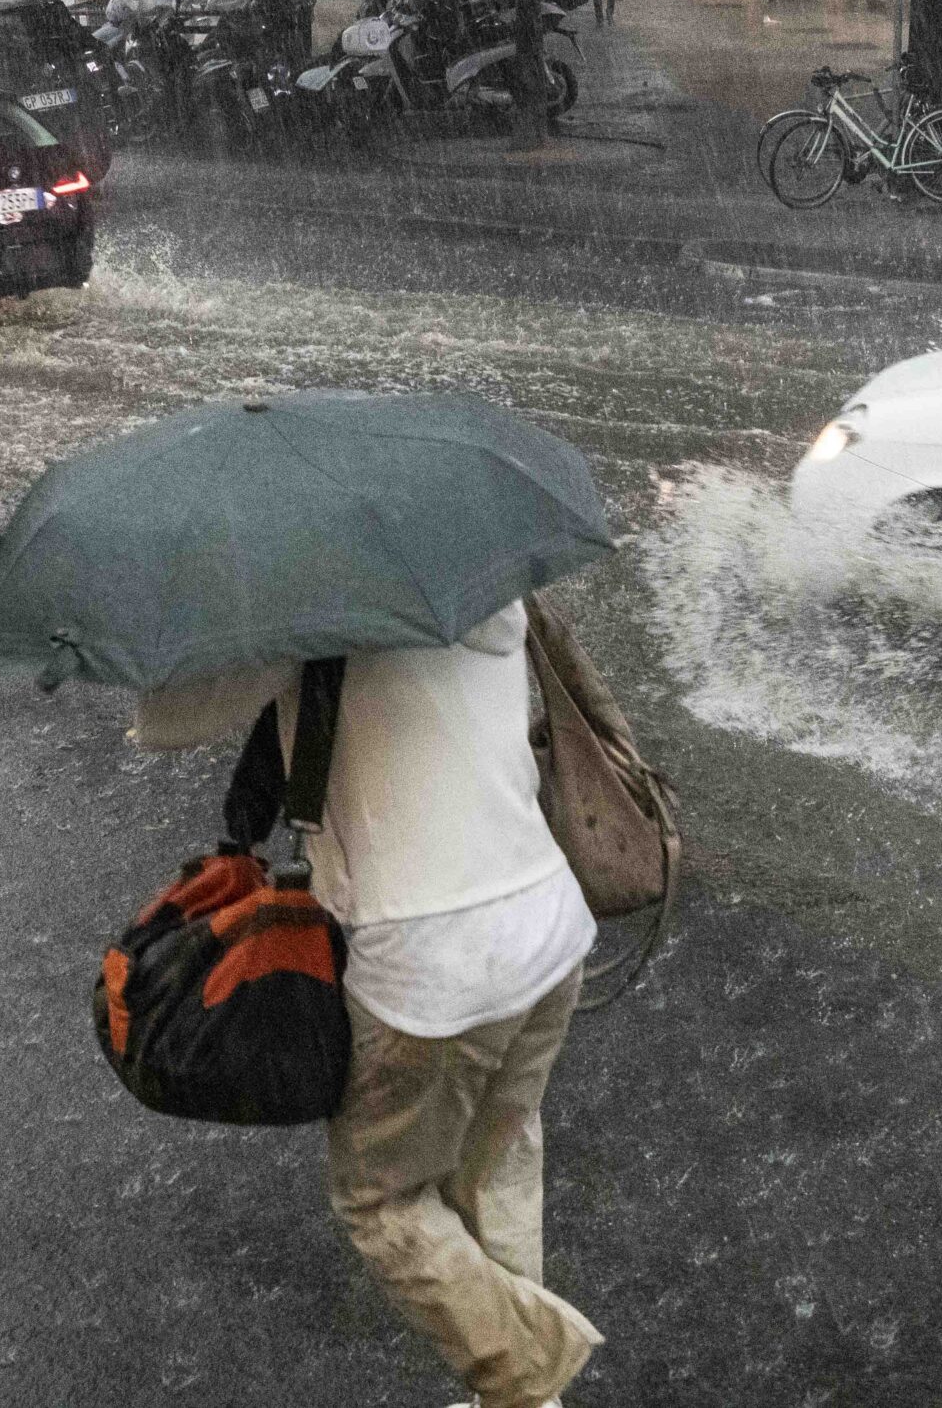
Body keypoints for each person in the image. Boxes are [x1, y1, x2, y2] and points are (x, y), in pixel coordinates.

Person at [133, 597, 603, 1408]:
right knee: (493, 1162)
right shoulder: (475, 579)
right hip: (547, 925)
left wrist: (158, 633)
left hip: (431, 966)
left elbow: (171, 718)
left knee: (381, 1199)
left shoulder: (311, 603)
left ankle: (528, 1378)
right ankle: (525, 1398)